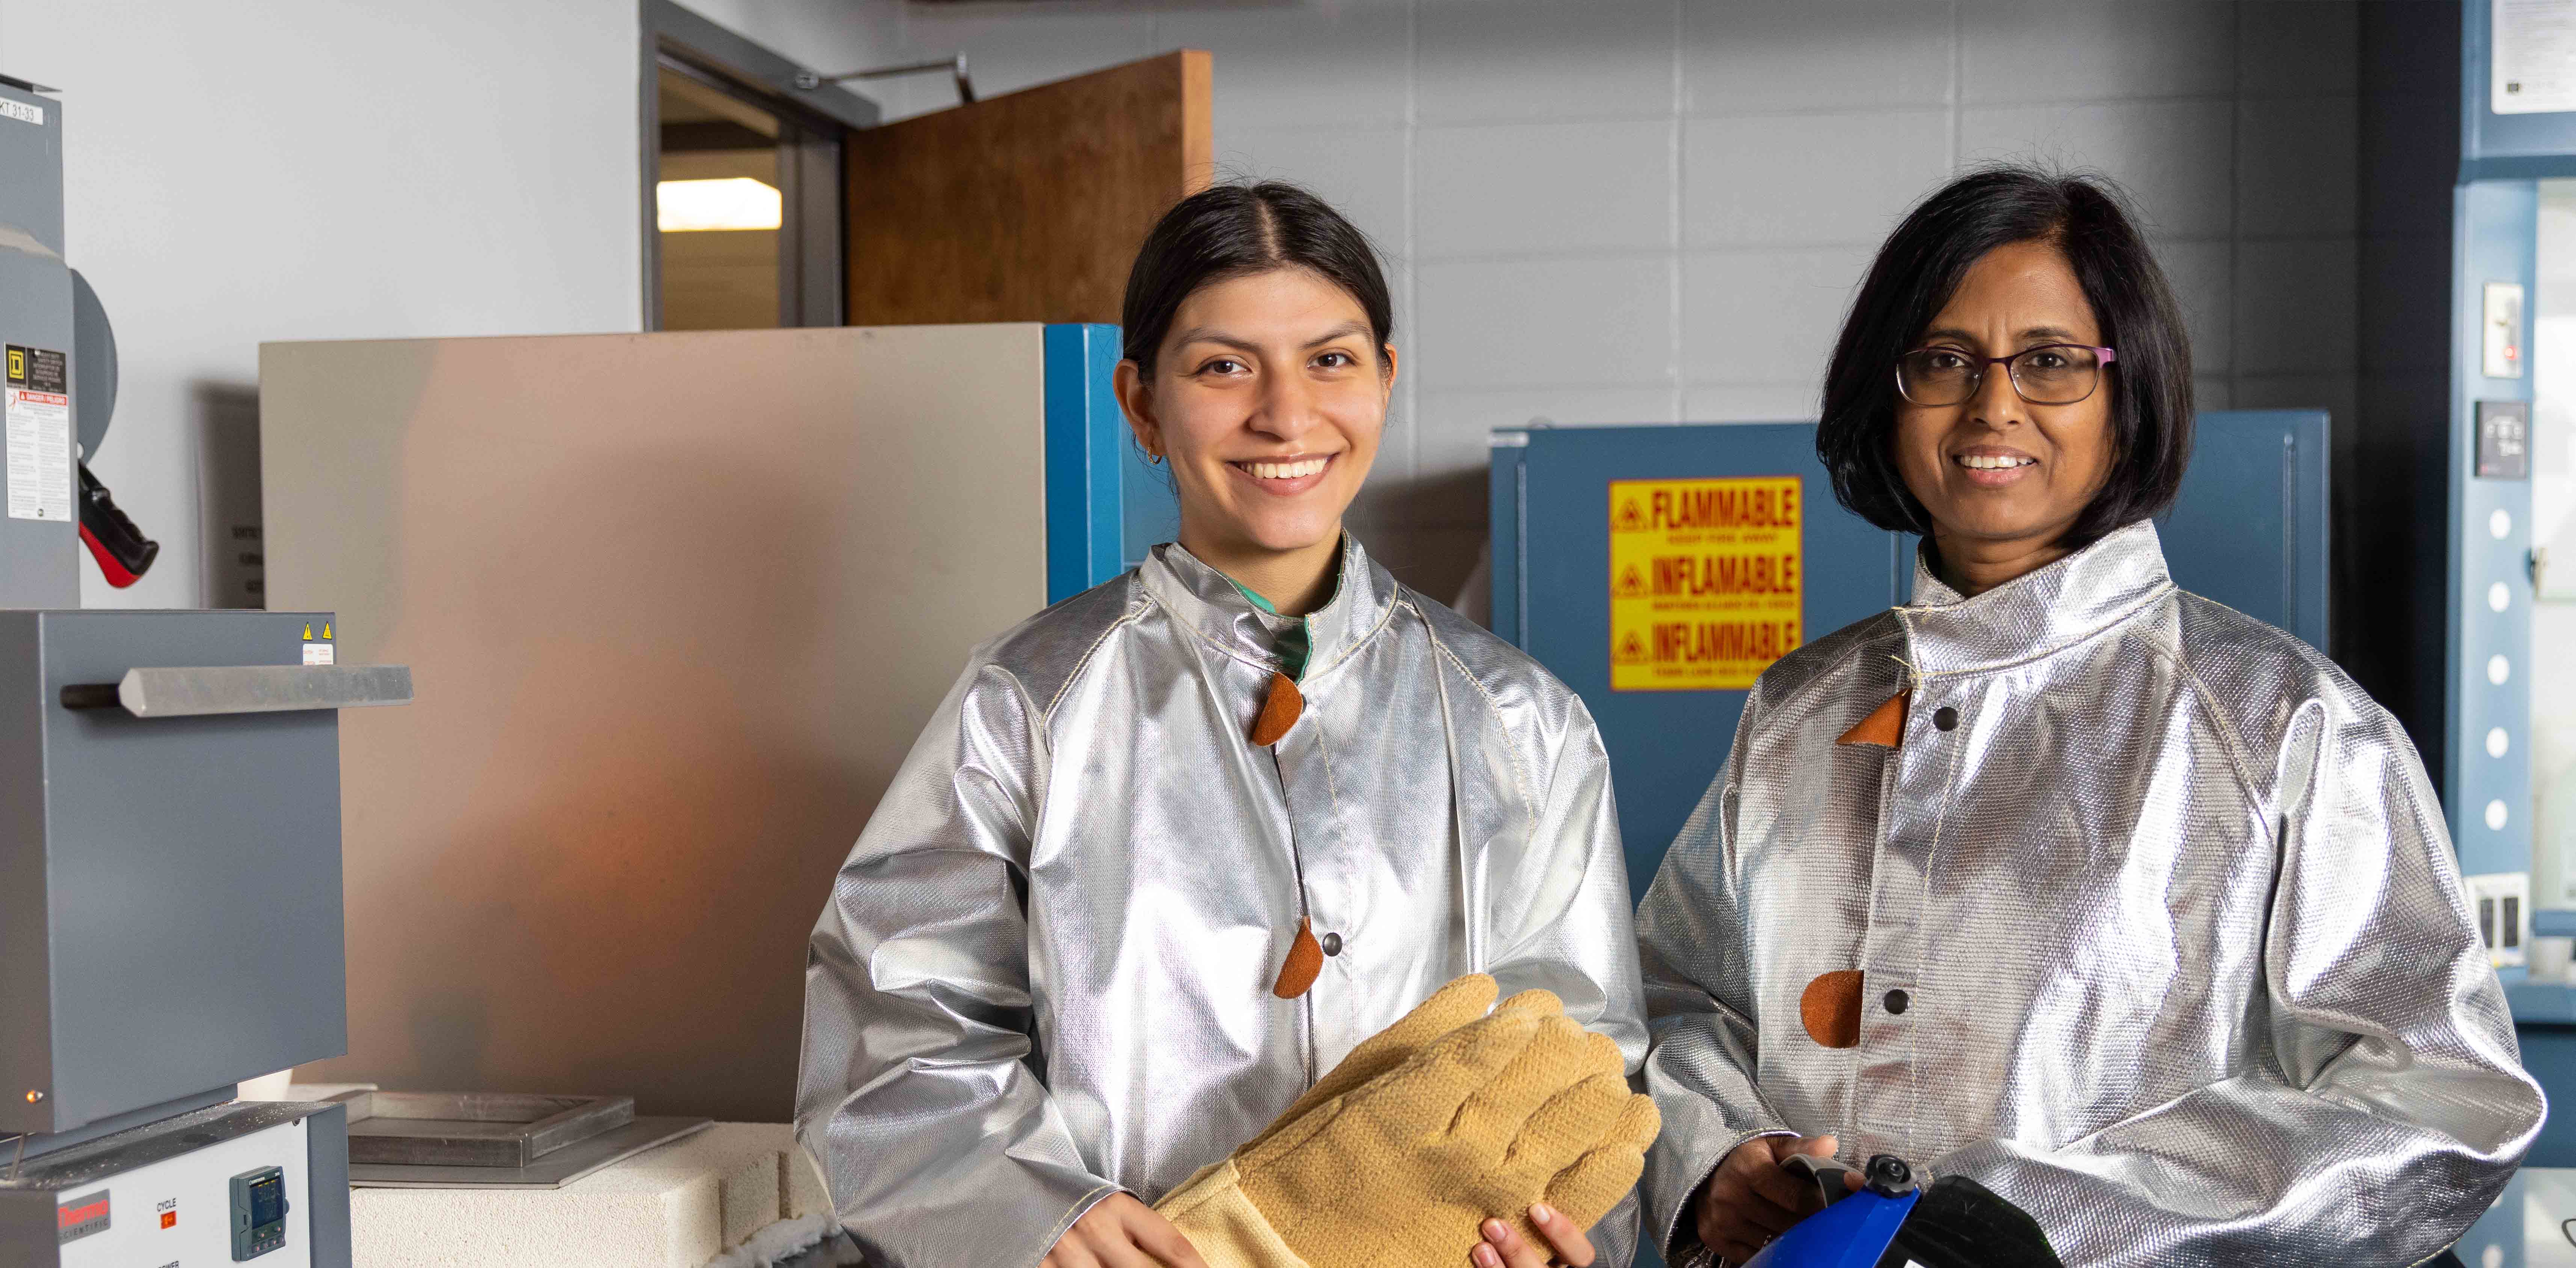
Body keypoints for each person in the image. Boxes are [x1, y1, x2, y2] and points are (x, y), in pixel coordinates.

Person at [1635, 165, 2545, 1268]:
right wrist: (1718, 1159)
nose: (1993, 407)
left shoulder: (2279, 721)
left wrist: (2036, 1229)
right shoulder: (1798, 712)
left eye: (2051, 361)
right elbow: (1676, 999)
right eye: (1944, 360)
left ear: (2129, 393)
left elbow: (2443, 1099)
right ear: (1889, 394)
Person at [795, 181, 1648, 1268]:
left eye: (1330, 360)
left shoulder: (1518, 718)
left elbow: (1583, 1057)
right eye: (1222, 368)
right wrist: (1034, 1210)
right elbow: (892, 1041)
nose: (1286, 416)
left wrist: (1551, 1232)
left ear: (1385, 379)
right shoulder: (1028, 702)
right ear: (1142, 403)